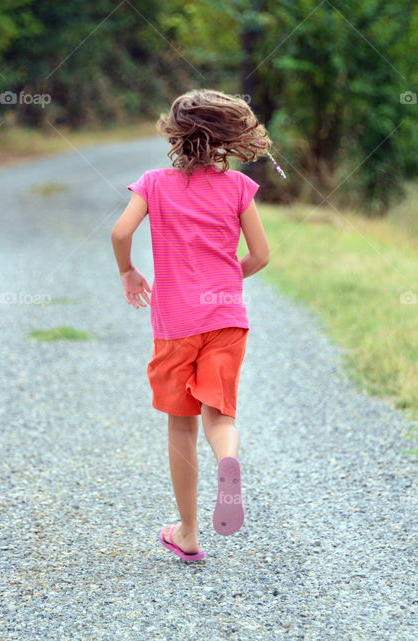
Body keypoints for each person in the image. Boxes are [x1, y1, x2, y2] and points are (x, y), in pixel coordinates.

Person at [110, 89, 273, 562]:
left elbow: (121, 232)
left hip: (176, 323)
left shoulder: (153, 184)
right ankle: (228, 458)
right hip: (226, 318)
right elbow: (261, 256)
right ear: (225, 138)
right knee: (220, 416)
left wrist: (127, 271)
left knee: (181, 426)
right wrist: (225, 280)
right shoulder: (238, 186)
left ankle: (188, 532)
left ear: (176, 136)